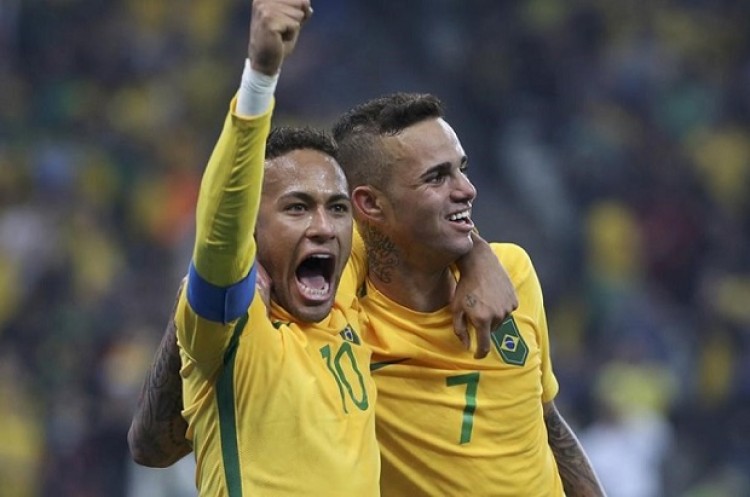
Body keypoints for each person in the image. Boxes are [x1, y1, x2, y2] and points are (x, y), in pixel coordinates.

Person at [150, 0, 383, 494]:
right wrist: (260, 76)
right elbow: (219, 232)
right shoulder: (231, 326)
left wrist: (475, 255)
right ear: (252, 234)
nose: (323, 226)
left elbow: (421, 223)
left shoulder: (347, 291)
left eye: (337, 208)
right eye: (297, 207)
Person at [332, 92, 606, 496]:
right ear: (370, 203)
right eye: (436, 177)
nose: (468, 189)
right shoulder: (342, 311)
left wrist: (476, 250)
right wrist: (475, 250)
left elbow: (546, 420)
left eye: (461, 169)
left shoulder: (513, 272)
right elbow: (325, 237)